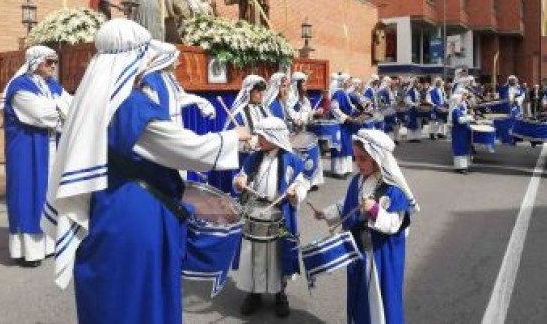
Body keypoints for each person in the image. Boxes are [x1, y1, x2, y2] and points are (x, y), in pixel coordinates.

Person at [41, 19, 249, 324]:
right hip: (135, 218)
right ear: (135, 57)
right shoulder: (131, 106)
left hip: (107, 208)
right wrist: (238, 136)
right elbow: (189, 149)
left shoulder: (97, 99)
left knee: (110, 298)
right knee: (138, 300)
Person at [315, 129, 417, 324]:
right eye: (356, 159)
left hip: (380, 255)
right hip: (359, 250)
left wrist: (375, 210)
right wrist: (326, 213)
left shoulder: (393, 190)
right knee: (359, 296)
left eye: (363, 159)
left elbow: (395, 224)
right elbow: (347, 204)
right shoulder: (357, 180)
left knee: (380, 299)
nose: (358, 164)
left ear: (378, 159)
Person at [2, 46, 71, 267]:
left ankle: (48, 245)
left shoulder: (53, 86)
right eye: (48, 61)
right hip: (26, 150)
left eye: (54, 62)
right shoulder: (20, 86)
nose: (53, 66)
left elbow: (72, 107)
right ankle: (28, 251)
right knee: (27, 194)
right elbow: (42, 115)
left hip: (50, 148)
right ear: (35, 62)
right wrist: (60, 108)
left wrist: (59, 108)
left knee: (48, 194)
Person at [233, 117, 309, 317]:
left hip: (279, 215)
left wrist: (295, 193)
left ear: (275, 137)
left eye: (263, 136)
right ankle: (254, 293)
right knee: (254, 255)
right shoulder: (254, 157)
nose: (259, 139)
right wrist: (240, 180)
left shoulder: (291, 159)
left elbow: (302, 183)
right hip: (254, 213)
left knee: (278, 256)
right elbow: (241, 174)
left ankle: (280, 294)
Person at [140, 41, 216, 128]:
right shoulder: (151, 80)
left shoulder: (167, 76)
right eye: (175, 59)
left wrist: (201, 101)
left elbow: (178, 98)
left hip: (175, 124)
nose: (178, 62)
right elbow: (152, 110)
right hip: (163, 127)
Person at [330, 73, 356, 177]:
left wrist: (361, 108)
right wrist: (345, 118)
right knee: (340, 146)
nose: (350, 83)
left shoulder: (345, 93)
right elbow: (334, 108)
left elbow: (350, 106)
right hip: (340, 124)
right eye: (349, 81)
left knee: (346, 145)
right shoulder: (338, 93)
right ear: (344, 82)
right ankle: (338, 170)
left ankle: (346, 169)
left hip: (346, 125)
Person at [448, 90, 474, 174]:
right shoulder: (455, 110)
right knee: (460, 149)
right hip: (459, 133)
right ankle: (460, 167)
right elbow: (460, 120)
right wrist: (470, 117)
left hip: (462, 132)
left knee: (464, 149)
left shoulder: (458, 109)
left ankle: (464, 166)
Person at [404, 77, 423, 143]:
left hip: (417, 109)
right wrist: (415, 105)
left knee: (418, 122)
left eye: (417, 82)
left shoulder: (417, 90)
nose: (416, 83)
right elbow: (408, 100)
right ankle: (411, 137)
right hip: (412, 109)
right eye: (415, 82)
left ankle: (417, 137)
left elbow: (419, 99)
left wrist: (420, 104)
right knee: (411, 122)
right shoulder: (409, 91)